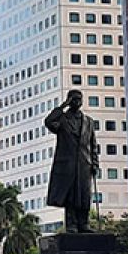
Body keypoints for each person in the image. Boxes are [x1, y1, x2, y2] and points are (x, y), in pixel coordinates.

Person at [43, 89, 101, 233]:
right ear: (69, 101)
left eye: (79, 99)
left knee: (84, 195)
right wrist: (62, 106)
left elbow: (93, 144)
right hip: (67, 165)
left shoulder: (88, 121)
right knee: (71, 196)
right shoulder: (62, 120)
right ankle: (72, 224)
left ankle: (84, 223)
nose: (77, 102)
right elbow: (49, 122)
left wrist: (95, 163)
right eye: (74, 99)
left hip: (84, 164)